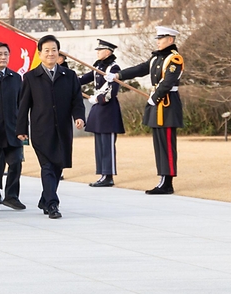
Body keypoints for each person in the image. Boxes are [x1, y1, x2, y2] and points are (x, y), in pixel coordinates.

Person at [107, 27, 184, 194]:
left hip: (167, 104)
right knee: (158, 143)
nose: (158, 40)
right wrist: (118, 75)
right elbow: (140, 69)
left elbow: (168, 82)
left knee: (167, 144)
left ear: (170, 40)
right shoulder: (157, 57)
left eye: (161, 38)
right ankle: (163, 179)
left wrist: (155, 97)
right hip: (158, 103)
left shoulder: (174, 59)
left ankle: (168, 182)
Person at [17, 35, 86, 219]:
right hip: (41, 130)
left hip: (63, 129)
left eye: (53, 50)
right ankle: (53, 204)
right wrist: (21, 129)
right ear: (40, 54)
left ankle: (45, 198)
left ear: (58, 53)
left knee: (58, 166)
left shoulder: (69, 75)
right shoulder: (31, 77)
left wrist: (79, 117)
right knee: (47, 166)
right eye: (46, 50)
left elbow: (77, 100)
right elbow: (24, 105)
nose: (50, 54)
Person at [0, 43, 26, 211]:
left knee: (16, 163)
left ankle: (12, 196)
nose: (3, 57)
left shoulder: (15, 78)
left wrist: (23, 128)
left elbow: (21, 105)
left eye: (6, 54)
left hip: (13, 130)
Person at [78, 39, 124, 187]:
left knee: (108, 144)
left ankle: (109, 175)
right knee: (99, 143)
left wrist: (99, 98)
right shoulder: (98, 67)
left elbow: (113, 90)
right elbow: (84, 78)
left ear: (108, 52)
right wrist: (69, 80)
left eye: (100, 50)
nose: (97, 52)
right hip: (98, 109)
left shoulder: (113, 68)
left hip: (108, 108)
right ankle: (102, 173)